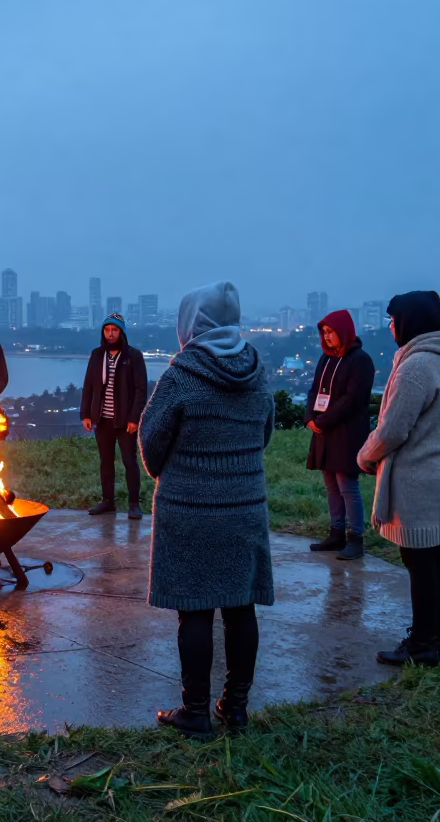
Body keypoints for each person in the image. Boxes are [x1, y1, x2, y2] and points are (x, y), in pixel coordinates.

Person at [139, 282, 274, 738]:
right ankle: (235, 708)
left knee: (194, 611)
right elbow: (265, 434)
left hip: (189, 510)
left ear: (192, 324)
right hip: (244, 507)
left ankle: (194, 712)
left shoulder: (181, 375)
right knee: (240, 607)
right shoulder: (257, 371)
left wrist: (175, 472)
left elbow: (151, 443)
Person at [358, 290, 440, 668]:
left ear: (409, 321)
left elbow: (392, 430)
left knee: (419, 561)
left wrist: (365, 456)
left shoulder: (416, 367)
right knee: (434, 558)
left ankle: (421, 643)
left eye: (393, 319)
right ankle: (438, 636)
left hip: (418, 477)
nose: (389, 326)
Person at [304, 310, 376, 560]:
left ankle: (356, 538)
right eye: (324, 333)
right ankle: (336, 534)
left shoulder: (361, 360)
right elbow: (314, 390)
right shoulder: (326, 359)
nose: (328, 337)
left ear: (343, 331)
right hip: (324, 431)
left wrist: (323, 421)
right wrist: (309, 419)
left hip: (347, 432)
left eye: (331, 332)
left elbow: (352, 400)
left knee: (347, 485)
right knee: (330, 484)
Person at [80, 312, 148, 518]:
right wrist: (86, 414)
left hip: (124, 420)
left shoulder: (133, 356)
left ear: (122, 332)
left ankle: (134, 504)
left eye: (115, 330)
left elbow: (140, 390)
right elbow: (89, 387)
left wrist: (134, 418)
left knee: (129, 461)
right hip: (102, 420)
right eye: (107, 330)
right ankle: (108, 502)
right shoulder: (97, 355)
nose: (110, 334)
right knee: (105, 462)